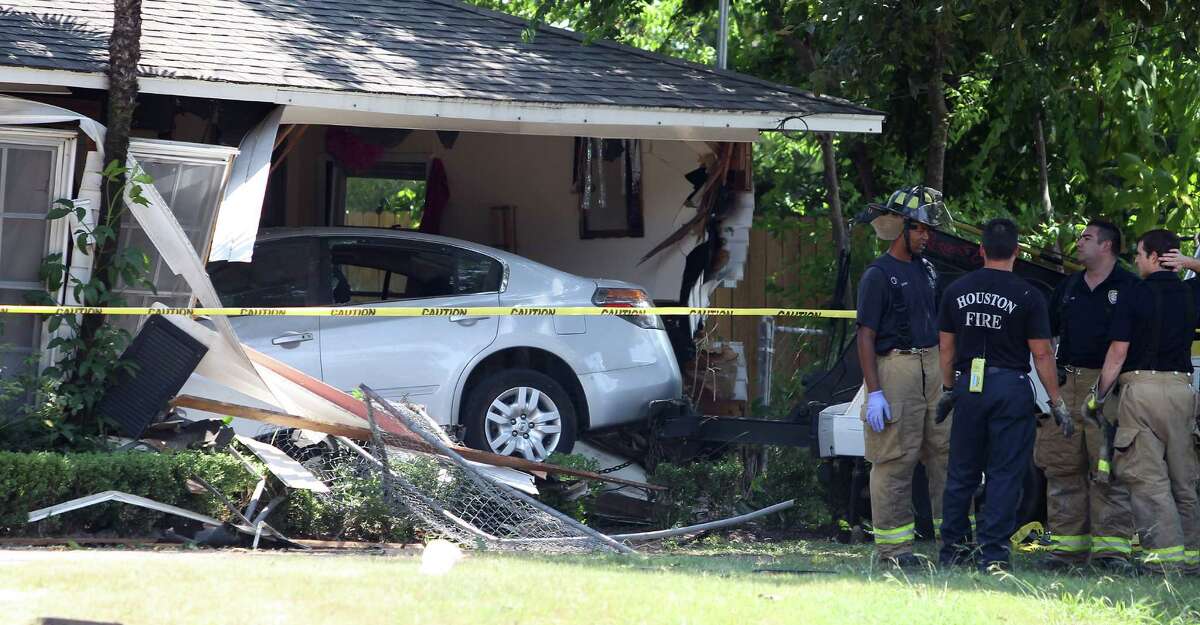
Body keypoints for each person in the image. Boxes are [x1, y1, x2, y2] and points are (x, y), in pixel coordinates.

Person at [936, 218, 1072, 572]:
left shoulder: (956, 289)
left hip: (969, 386)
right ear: (1017, 251)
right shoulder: (1029, 294)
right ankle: (993, 555)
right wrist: (1056, 401)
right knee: (1005, 473)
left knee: (961, 472)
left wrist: (949, 389)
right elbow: (1042, 354)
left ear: (981, 250)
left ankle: (952, 549)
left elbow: (946, 350)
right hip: (1010, 387)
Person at [1088, 228, 1199, 574]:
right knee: (1185, 480)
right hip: (1183, 392)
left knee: (1148, 479)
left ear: (1154, 257)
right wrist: (1191, 265)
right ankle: (1193, 559)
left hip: (1141, 391)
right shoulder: (1191, 293)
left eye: (1138, 253)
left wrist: (1099, 395)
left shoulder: (1133, 294)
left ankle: (1165, 564)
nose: (1134, 260)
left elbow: (1118, 352)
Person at [855, 186, 950, 568]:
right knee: (894, 458)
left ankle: (953, 540)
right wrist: (874, 392)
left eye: (928, 230)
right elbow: (865, 335)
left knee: (945, 454)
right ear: (900, 228)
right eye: (921, 229)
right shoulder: (878, 275)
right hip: (896, 368)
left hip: (933, 367)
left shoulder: (927, 271)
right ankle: (893, 551)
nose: (927, 237)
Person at [1038, 220, 1137, 571]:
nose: (1078, 243)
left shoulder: (1130, 285)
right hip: (1068, 382)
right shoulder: (1067, 287)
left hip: (1107, 388)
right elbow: (1045, 336)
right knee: (1063, 467)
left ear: (1107, 246)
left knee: (1107, 469)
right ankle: (1066, 551)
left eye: (1086, 237)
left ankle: (1111, 553)